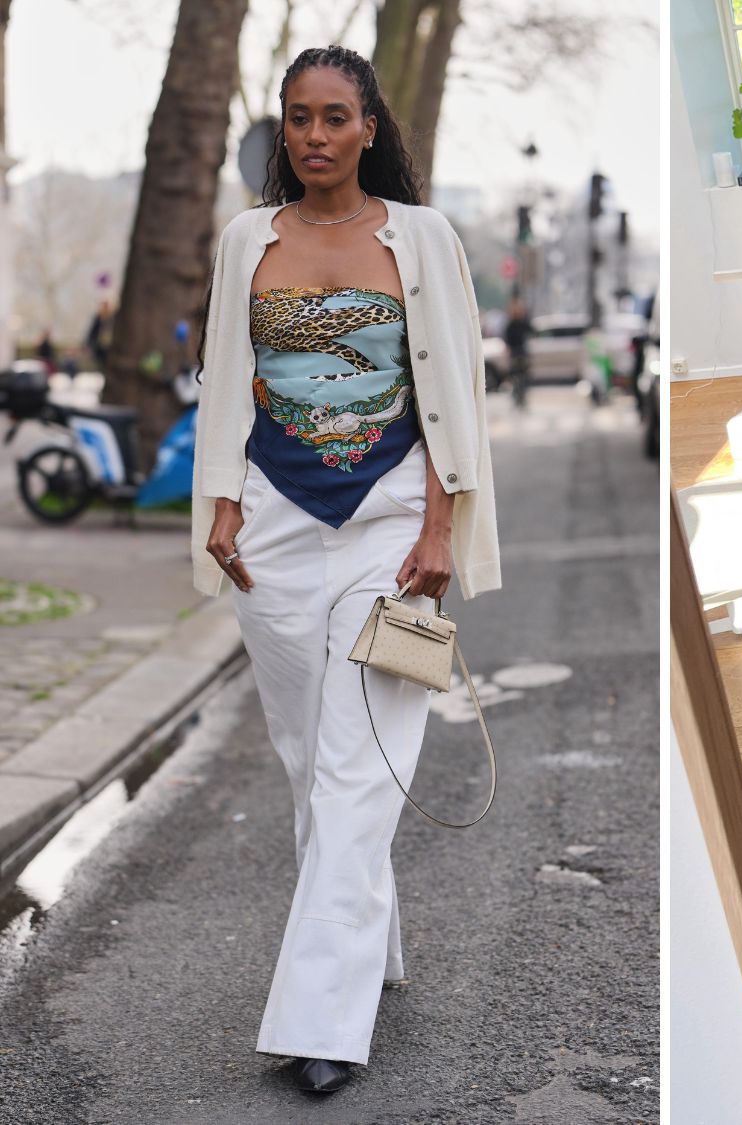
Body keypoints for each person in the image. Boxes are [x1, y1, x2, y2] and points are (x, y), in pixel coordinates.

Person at [187, 44, 500, 1095]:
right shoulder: (245, 240)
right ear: (283, 130)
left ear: (370, 127)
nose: (316, 135)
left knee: (362, 758)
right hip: (272, 527)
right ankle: (372, 943)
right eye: (299, 118)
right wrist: (222, 504)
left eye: (335, 117)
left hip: (391, 521)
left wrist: (442, 531)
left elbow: (455, 388)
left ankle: (322, 1024)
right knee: (306, 760)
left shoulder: (422, 238)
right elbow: (225, 380)